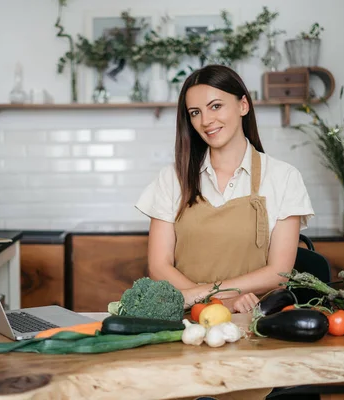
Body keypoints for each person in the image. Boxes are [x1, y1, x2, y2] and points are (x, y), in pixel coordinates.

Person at [135, 64, 314, 400]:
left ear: (243, 105)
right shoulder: (171, 178)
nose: (206, 120)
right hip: (183, 324)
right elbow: (159, 266)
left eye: (216, 106)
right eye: (195, 112)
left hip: (248, 326)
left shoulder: (283, 177)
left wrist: (213, 299)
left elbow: (279, 272)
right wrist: (215, 301)